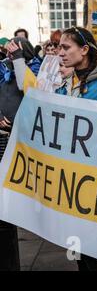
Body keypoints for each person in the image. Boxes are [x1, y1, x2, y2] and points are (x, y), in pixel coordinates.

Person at [56, 27, 97, 271]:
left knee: (93, 250)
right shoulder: (67, 82)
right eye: (59, 48)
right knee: (78, 248)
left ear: (84, 50)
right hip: (72, 175)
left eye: (66, 47)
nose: (60, 53)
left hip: (96, 176)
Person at [0, 36, 42, 271]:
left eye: (13, 52)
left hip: (23, 142)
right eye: (7, 52)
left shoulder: (33, 70)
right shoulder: (3, 70)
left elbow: (27, 89)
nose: (8, 56)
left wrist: (18, 61)